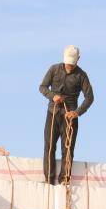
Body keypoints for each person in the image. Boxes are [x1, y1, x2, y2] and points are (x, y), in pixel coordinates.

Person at [38, 44, 94, 185]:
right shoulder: (54, 69)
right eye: (67, 63)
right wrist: (52, 96)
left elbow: (89, 97)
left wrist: (77, 112)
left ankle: (64, 180)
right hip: (53, 113)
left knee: (67, 150)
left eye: (72, 64)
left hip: (70, 117)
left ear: (78, 59)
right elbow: (42, 87)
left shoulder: (82, 75)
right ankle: (49, 180)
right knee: (49, 147)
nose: (69, 66)